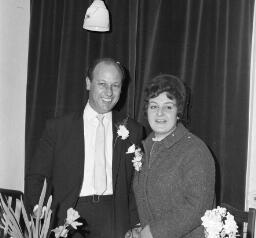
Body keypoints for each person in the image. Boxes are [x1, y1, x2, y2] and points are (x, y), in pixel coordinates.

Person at [25, 58, 144, 238]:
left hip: (115, 218)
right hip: (68, 215)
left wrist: (137, 223)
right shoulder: (58, 128)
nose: (109, 92)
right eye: (102, 84)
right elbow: (37, 176)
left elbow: (137, 184)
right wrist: (37, 207)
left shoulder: (133, 130)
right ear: (88, 83)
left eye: (115, 85)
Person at [133, 74, 215, 238]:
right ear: (147, 110)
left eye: (168, 107)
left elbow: (198, 206)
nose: (160, 113)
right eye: (154, 106)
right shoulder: (145, 148)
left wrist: (153, 232)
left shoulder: (195, 150)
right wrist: (139, 228)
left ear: (179, 112)